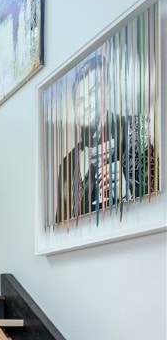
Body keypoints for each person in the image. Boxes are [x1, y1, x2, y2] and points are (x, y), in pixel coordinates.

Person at [56, 53, 156, 223]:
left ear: (107, 91)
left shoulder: (136, 129)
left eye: (93, 92)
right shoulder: (66, 163)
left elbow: (157, 191)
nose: (86, 105)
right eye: (80, 102)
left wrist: (127, 192)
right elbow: (61, 221)